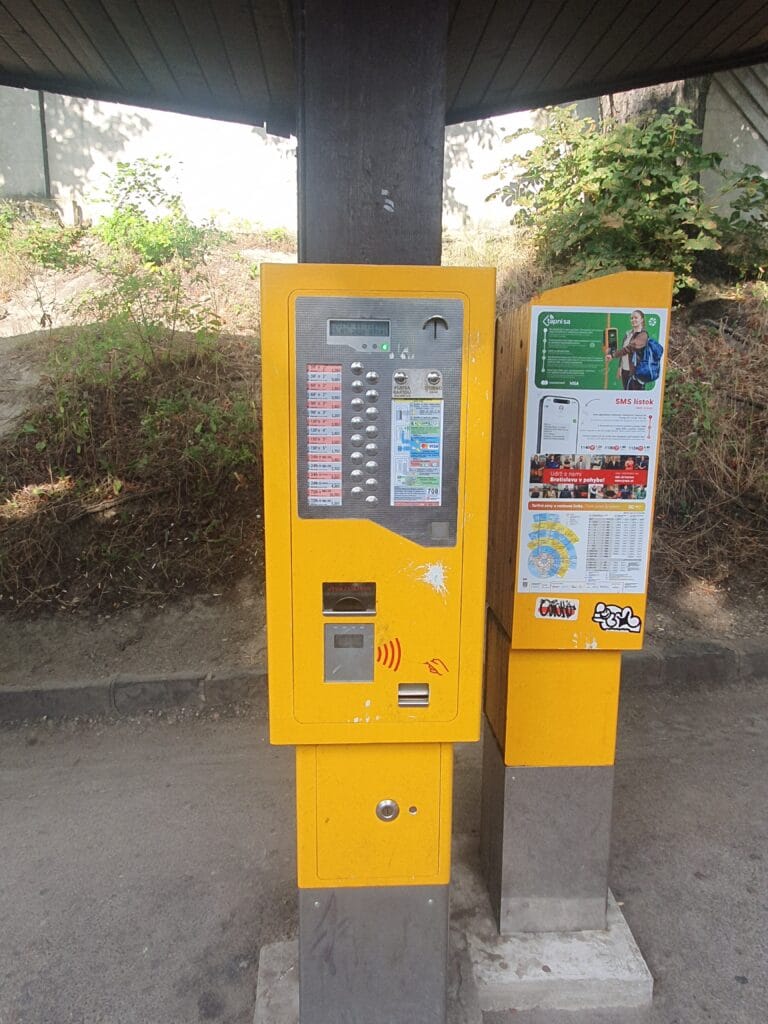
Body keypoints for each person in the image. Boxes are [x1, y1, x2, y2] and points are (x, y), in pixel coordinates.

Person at [606, 310, 648, 390]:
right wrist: (620, 367)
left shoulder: (643, 335)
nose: (633, 320)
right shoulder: (628, 334)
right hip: (625, 371)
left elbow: (628, 349)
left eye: (636, 318)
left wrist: (613, 355)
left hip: (636, 372)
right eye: (631, 318)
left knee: (636, 396)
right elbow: (623, 351)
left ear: (642, 319)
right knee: (626, 394)